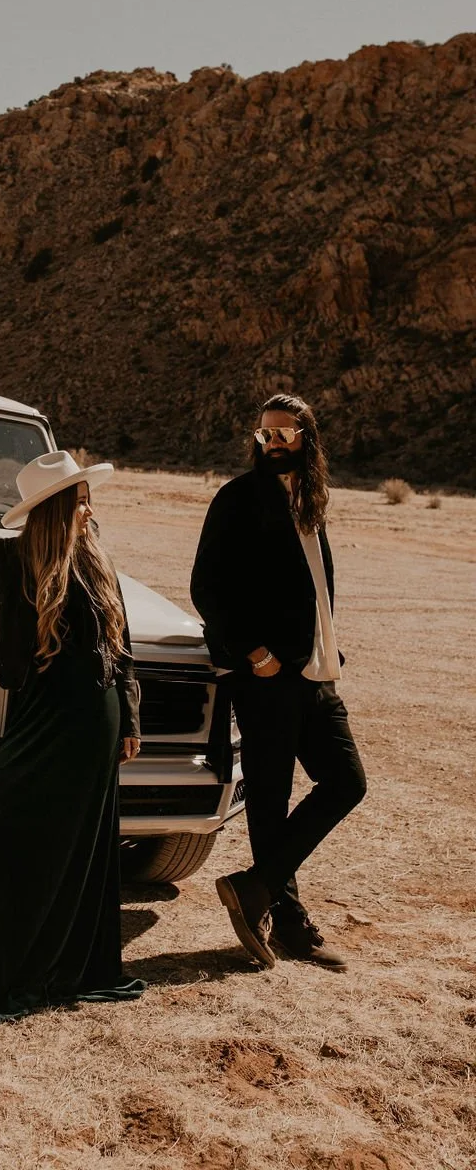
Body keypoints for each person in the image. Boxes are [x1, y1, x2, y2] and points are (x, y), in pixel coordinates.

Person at [0, 449, 145, 1027]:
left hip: (96, 715)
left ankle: (67, 967)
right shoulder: (8, 558)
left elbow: (122, 647)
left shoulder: (97, 562)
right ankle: (6, 971)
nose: (91, 510)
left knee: (82, 845)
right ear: (60, 506)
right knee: (15, 841)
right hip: (38, 715)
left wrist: (131, 718)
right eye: (83, 500)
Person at [190, 393, 367, 971]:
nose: (273, 443)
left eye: (285, 433)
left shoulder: (311, 502)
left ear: (307, 437)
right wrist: (254, 652)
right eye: (265, 434)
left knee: (345, 782)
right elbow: (208, 588)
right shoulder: (238, 498)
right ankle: (290, 923)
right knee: (269, 799)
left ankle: (256, 886)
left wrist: (326, 641)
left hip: (316, 673)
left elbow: (314, 586)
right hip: (265, 674)